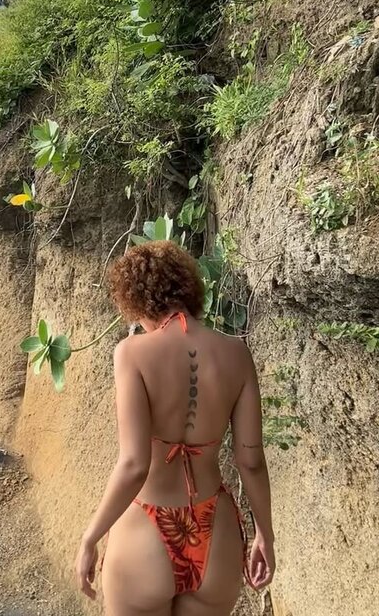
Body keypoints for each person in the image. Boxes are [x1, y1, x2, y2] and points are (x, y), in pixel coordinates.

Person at [75, 240, 274, 616]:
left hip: (145, 534)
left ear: (138, 301)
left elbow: (134, 464)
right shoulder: (237, 354)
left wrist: (91, 537)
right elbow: (251, 461)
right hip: (215, 532)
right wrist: (265, 534)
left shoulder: (131, 353)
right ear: (188, 289)